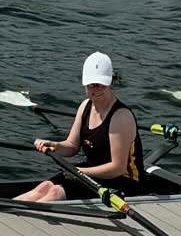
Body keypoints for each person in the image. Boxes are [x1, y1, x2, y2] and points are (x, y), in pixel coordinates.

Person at [15, 52, 145, 203]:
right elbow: (72, 146)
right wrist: (55, 146)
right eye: (91, 85)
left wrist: (79, 172)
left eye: (100, 85)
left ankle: (25, 214)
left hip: (124, 181)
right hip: (92, 171)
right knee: (45, 186)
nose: (95, 90)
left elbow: (118, 168)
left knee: (56, 191)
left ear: (110, 83)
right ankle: (7, 209)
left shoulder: (121, 117)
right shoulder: (85, 106)